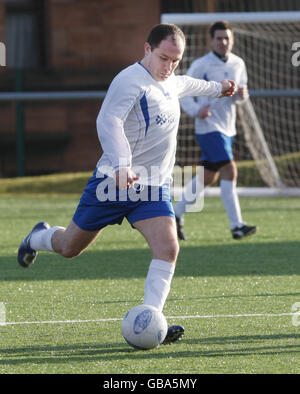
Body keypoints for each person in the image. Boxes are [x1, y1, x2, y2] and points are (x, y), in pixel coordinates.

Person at [17, 24, 235, 345]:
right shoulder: (129, 80)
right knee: (69, 248)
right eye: (164, 58)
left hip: (152, 188)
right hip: (113, 183)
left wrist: (219, 87)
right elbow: (108, 121)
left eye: (176, 60)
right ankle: (36, 237)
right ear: (147, 49)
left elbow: (187, 84)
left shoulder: (170, 80)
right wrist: (121, 165)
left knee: (168, 248)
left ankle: (151, 319)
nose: (169, 66)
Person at [174, 21, 257, 241]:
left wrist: (242, 96)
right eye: (219, 38)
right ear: (211, 41)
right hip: (208, 128)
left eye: (227, 38)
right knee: (230, 170)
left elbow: (241, 95)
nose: (223, 42)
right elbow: (181, 91)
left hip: (228, 127)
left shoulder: (239, 63)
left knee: (208, 177)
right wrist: (196, 110)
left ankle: (175, 215)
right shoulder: (202, 65)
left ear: (233, 40)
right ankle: (237, 226)